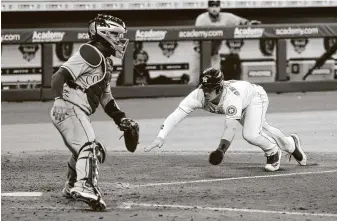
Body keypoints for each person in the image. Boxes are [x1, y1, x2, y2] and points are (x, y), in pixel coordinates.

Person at [50, 14, 139, 211]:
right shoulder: (90, 52)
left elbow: (106, 97)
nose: (120, 40)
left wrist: (120, 118)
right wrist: (58, 100)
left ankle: (72, 186)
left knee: (91, 149)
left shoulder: (106, 62)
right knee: (89, 147)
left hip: (78, 110)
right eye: (116, 35)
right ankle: (85, 187)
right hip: (70, 107)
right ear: (104, 34)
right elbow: (59, 76)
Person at [145, 67, 307, 172]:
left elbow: (230, 127)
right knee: (262, 129)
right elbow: (176, 116)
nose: (206, 92)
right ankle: (291, 144)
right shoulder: (198, 95)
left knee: (251, 133)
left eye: (210, 89)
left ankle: (273, 152)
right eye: (204, 88)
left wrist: (221, 150)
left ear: (219, 88)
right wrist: (161, 136)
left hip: (255, 97)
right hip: (245, 98)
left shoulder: (231, 99)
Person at [189, 0, 260, 84]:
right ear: (207, 8)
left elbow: (241, 21)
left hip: (214, 55)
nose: (214, 9)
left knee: (216, 81)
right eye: (212, 6)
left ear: (220, 7)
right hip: (199, 54)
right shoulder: (201, 19)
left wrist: (249, 23)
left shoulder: (227, 17)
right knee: (194, 81)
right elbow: (197, 37)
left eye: (216, 6)